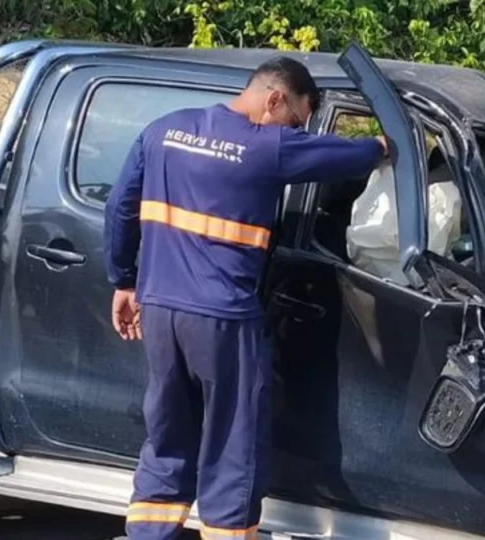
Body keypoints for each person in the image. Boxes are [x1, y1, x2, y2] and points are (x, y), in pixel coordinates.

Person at [103, 56, 388, 540]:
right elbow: (350, 156)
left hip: (161, 311)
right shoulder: (266, 147)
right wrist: (387, 143)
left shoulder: (164, 131)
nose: (296, 131)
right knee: (233, 444)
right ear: (275, 98)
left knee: (168, 436)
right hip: (222, 319)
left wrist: (123, 280)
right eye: (297, 120)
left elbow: (119, 207)